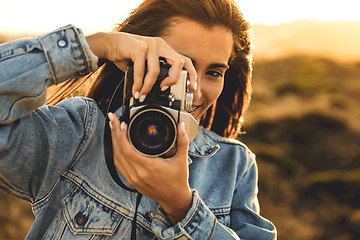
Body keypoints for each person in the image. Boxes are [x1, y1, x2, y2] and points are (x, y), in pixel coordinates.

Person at [0, 0, 277, 239]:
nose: (195, 88)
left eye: (214, 73)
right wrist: (97, 46)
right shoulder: (79, 134)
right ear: (136, 57)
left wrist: (182, 207)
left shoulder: (233, 165)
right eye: (180, 66)